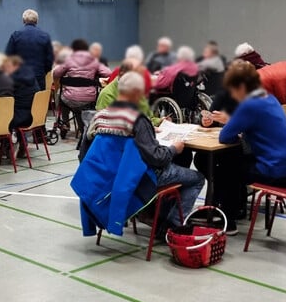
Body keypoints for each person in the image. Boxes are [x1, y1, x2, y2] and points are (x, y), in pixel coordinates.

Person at [85, 72, 204, 234]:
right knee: (197, 178)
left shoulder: (104, 115)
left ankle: (157, 214)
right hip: (143, 176)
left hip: (113, 175)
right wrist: (174, 148)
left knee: (177, 165)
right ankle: (172, 225)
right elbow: (157, 158)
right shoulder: (138, 120)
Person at [214, 61, 286, 233]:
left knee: (225, 166)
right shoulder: (268, 97)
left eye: (232, 90)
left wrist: (231, 123)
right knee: (236, 161)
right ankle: (236, 209)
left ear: (240, 86)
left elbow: (225, 137)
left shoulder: (249, 105)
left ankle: (227, 219)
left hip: (279, 171)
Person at [53, 39, 111, 137]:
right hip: (88, 100)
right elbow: (108, 73)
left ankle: (65, 124)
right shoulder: (94, 60)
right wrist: (95, 72)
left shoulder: (68, 59)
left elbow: (56, 73)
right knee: (79, 107)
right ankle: (83, 128)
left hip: (69, 99)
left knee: (62, 99)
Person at [5, 8, 54, 89]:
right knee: (38, 100)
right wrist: (43, 71)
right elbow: (49, 60)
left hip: (20, 77)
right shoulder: (45, 36)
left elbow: (9, 56)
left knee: (21, 100)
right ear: (37, 21)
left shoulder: (16, 35)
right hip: (39, 75)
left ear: (23, 20)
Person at [4, 55, 39, 130]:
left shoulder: (14, 80)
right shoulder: (31, 75)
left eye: (8, 66)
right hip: (35, 115)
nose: (6, 69)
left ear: (16, 66)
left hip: (19, 117)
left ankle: (5, 141)